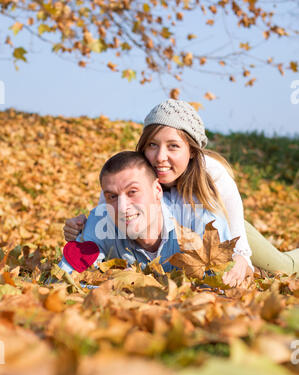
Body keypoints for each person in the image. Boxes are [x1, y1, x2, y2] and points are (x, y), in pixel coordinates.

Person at [63, 99, 299, 282]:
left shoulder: (214, 175)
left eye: (173, 146)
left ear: (192, 151)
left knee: (280, 268)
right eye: (152, 145)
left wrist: (240, 260)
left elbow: (237, 247)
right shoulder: (134, 172)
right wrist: (80, 232)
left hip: (221, 226)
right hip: (170, 239)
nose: (160, 157)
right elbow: (111, 211)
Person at [59, 151, 239, 277]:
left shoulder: (202, 223)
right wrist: (110, 282)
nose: (122, 207)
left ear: (157, 190)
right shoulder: (99, 222)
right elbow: (63, 279)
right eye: (112, 196)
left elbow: (221, 286)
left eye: (132, 192)